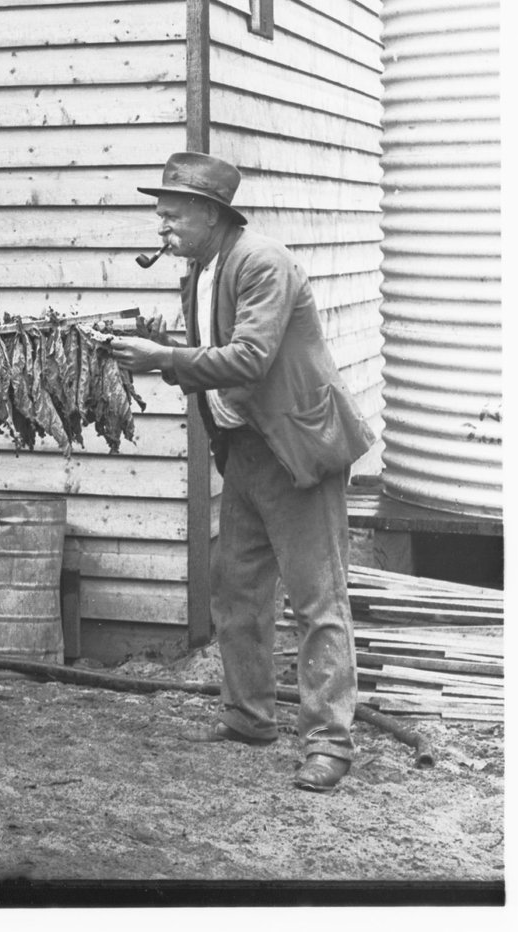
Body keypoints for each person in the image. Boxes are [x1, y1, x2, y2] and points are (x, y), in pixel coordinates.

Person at [105, 152, 377, 793]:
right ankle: (251, 716)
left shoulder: (261, 260)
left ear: (210, 213)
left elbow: (251, 356)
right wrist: (157, 342)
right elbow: (215, 340)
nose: (161, 226)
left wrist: (163, 358)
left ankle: (329, 743)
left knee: (318, 601)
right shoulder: (203, 267)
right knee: (237, 589)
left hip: (295, 451)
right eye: (160, 213)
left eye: (172, 215)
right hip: (245, 450)